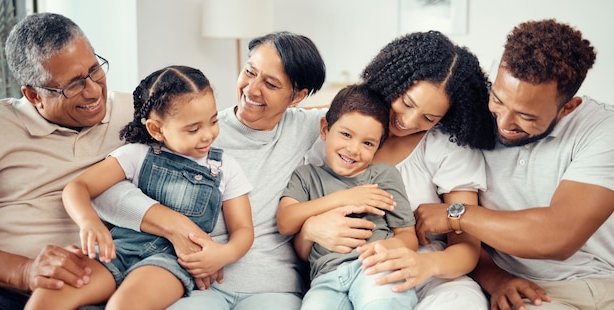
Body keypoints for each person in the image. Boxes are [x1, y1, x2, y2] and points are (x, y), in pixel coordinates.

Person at [92, 31, 356, 309]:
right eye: (250, 72)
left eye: (271, 84)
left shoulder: (313, 129)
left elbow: (368, 111)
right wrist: (173, 225)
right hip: (201, 281)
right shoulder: (197, 128)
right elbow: (107, 187)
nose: (252, 89)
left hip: (274, 287)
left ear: (297, 96)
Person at [413, 19, 614, 310]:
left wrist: (456, 214)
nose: (504, 123)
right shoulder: (467, 117)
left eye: (527, 116)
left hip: (603, 285)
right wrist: (495, 278)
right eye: (498, 99)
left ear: (568, 107)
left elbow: (559, 236)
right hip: (527, 293)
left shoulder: (602, 129)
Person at [24, 65, 254, 309]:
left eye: (213, 121)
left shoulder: (224, 166)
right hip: (118, 250)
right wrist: (89, 222)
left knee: (124, 305)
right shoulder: (136, 155)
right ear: (156, 129)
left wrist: (222, 254)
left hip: (170, 263)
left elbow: (243, 229)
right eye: (193, 129)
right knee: (49, 295)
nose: (208, 135)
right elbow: (77, 187)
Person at [299, 30, 496, 309]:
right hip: (343, 273)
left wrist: (424, 264)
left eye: (429, 117)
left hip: (432, 275)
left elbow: (466, 249)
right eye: (406, 103)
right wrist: (309, 229)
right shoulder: (342, 136)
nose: (408, 121)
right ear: (391, 81)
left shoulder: (446, 147)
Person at [0, 12, 135, 309]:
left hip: (97, 286)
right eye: (73, 85)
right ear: (33, 96)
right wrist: (24, 271)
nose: (93, 91)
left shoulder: (136, 113)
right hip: (5, 291)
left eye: (95, 70)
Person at [277, 84, 419, 309]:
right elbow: (286, 221)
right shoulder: (306, 176)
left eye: (367, 143)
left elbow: (408, 237)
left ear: (377, 148)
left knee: (383, 302)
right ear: (325, 129)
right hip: (326, 279)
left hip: (375, 268)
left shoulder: (384, 175)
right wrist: (345, 198)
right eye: (345, 134)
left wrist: (384, 250)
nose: (353, 149)